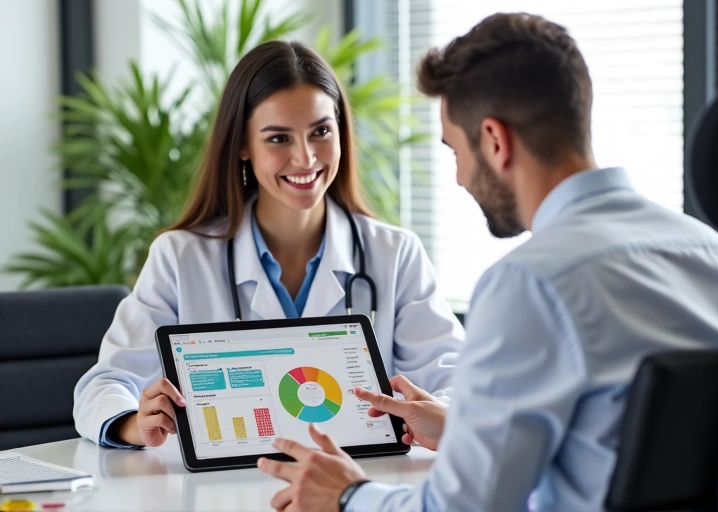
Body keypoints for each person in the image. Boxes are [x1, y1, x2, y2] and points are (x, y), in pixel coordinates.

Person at [256, 12, 718, 511]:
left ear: (494, 141)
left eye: (455, 151)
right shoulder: (717, 255)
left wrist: (347, 495)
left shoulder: (531, 282)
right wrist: (463, 430)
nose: (458, 179)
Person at [73, 40, 463, 449]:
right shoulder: (180, 256)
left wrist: (441, 414)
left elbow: (458, 381)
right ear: (242, 145)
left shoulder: (394, 254)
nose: (306, 158)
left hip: (359, 486)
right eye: (279, 139)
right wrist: (134, 422)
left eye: (321, 132)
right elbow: (106, 384)